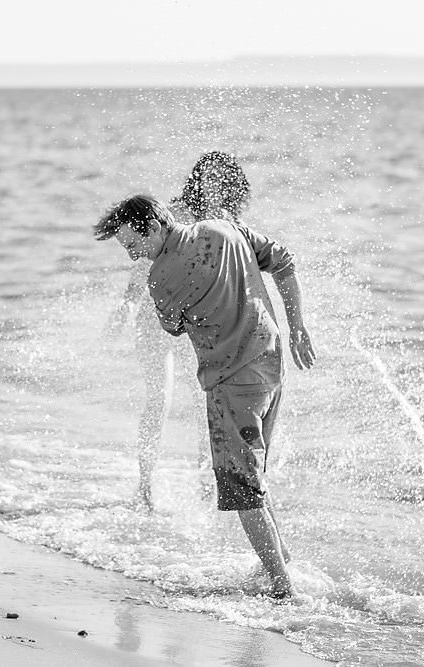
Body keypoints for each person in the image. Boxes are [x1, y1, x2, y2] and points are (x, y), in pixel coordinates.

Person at [94, 193, 316, 599]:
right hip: (271, 364)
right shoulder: (226, 229)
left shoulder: (160, 277)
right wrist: (298, 325)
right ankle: (282, 559)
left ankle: (283, 589)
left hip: (230, 382)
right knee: (255, 476)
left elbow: (173, 327)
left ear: (156, 225)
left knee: (242, 490)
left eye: (132, 245)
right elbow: (284, 261)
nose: (132, 257)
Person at [106, 152, 254, 512]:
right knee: (161, 399)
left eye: (225, 184)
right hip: (155, 319)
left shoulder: (227, 224)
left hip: (199, 323)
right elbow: (144, 260)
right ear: (200, 181)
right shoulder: (175, 215)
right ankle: (144, 488)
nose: (217, 189)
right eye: (212, 180)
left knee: (210, 402)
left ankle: (207, 487)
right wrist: (127, 304)